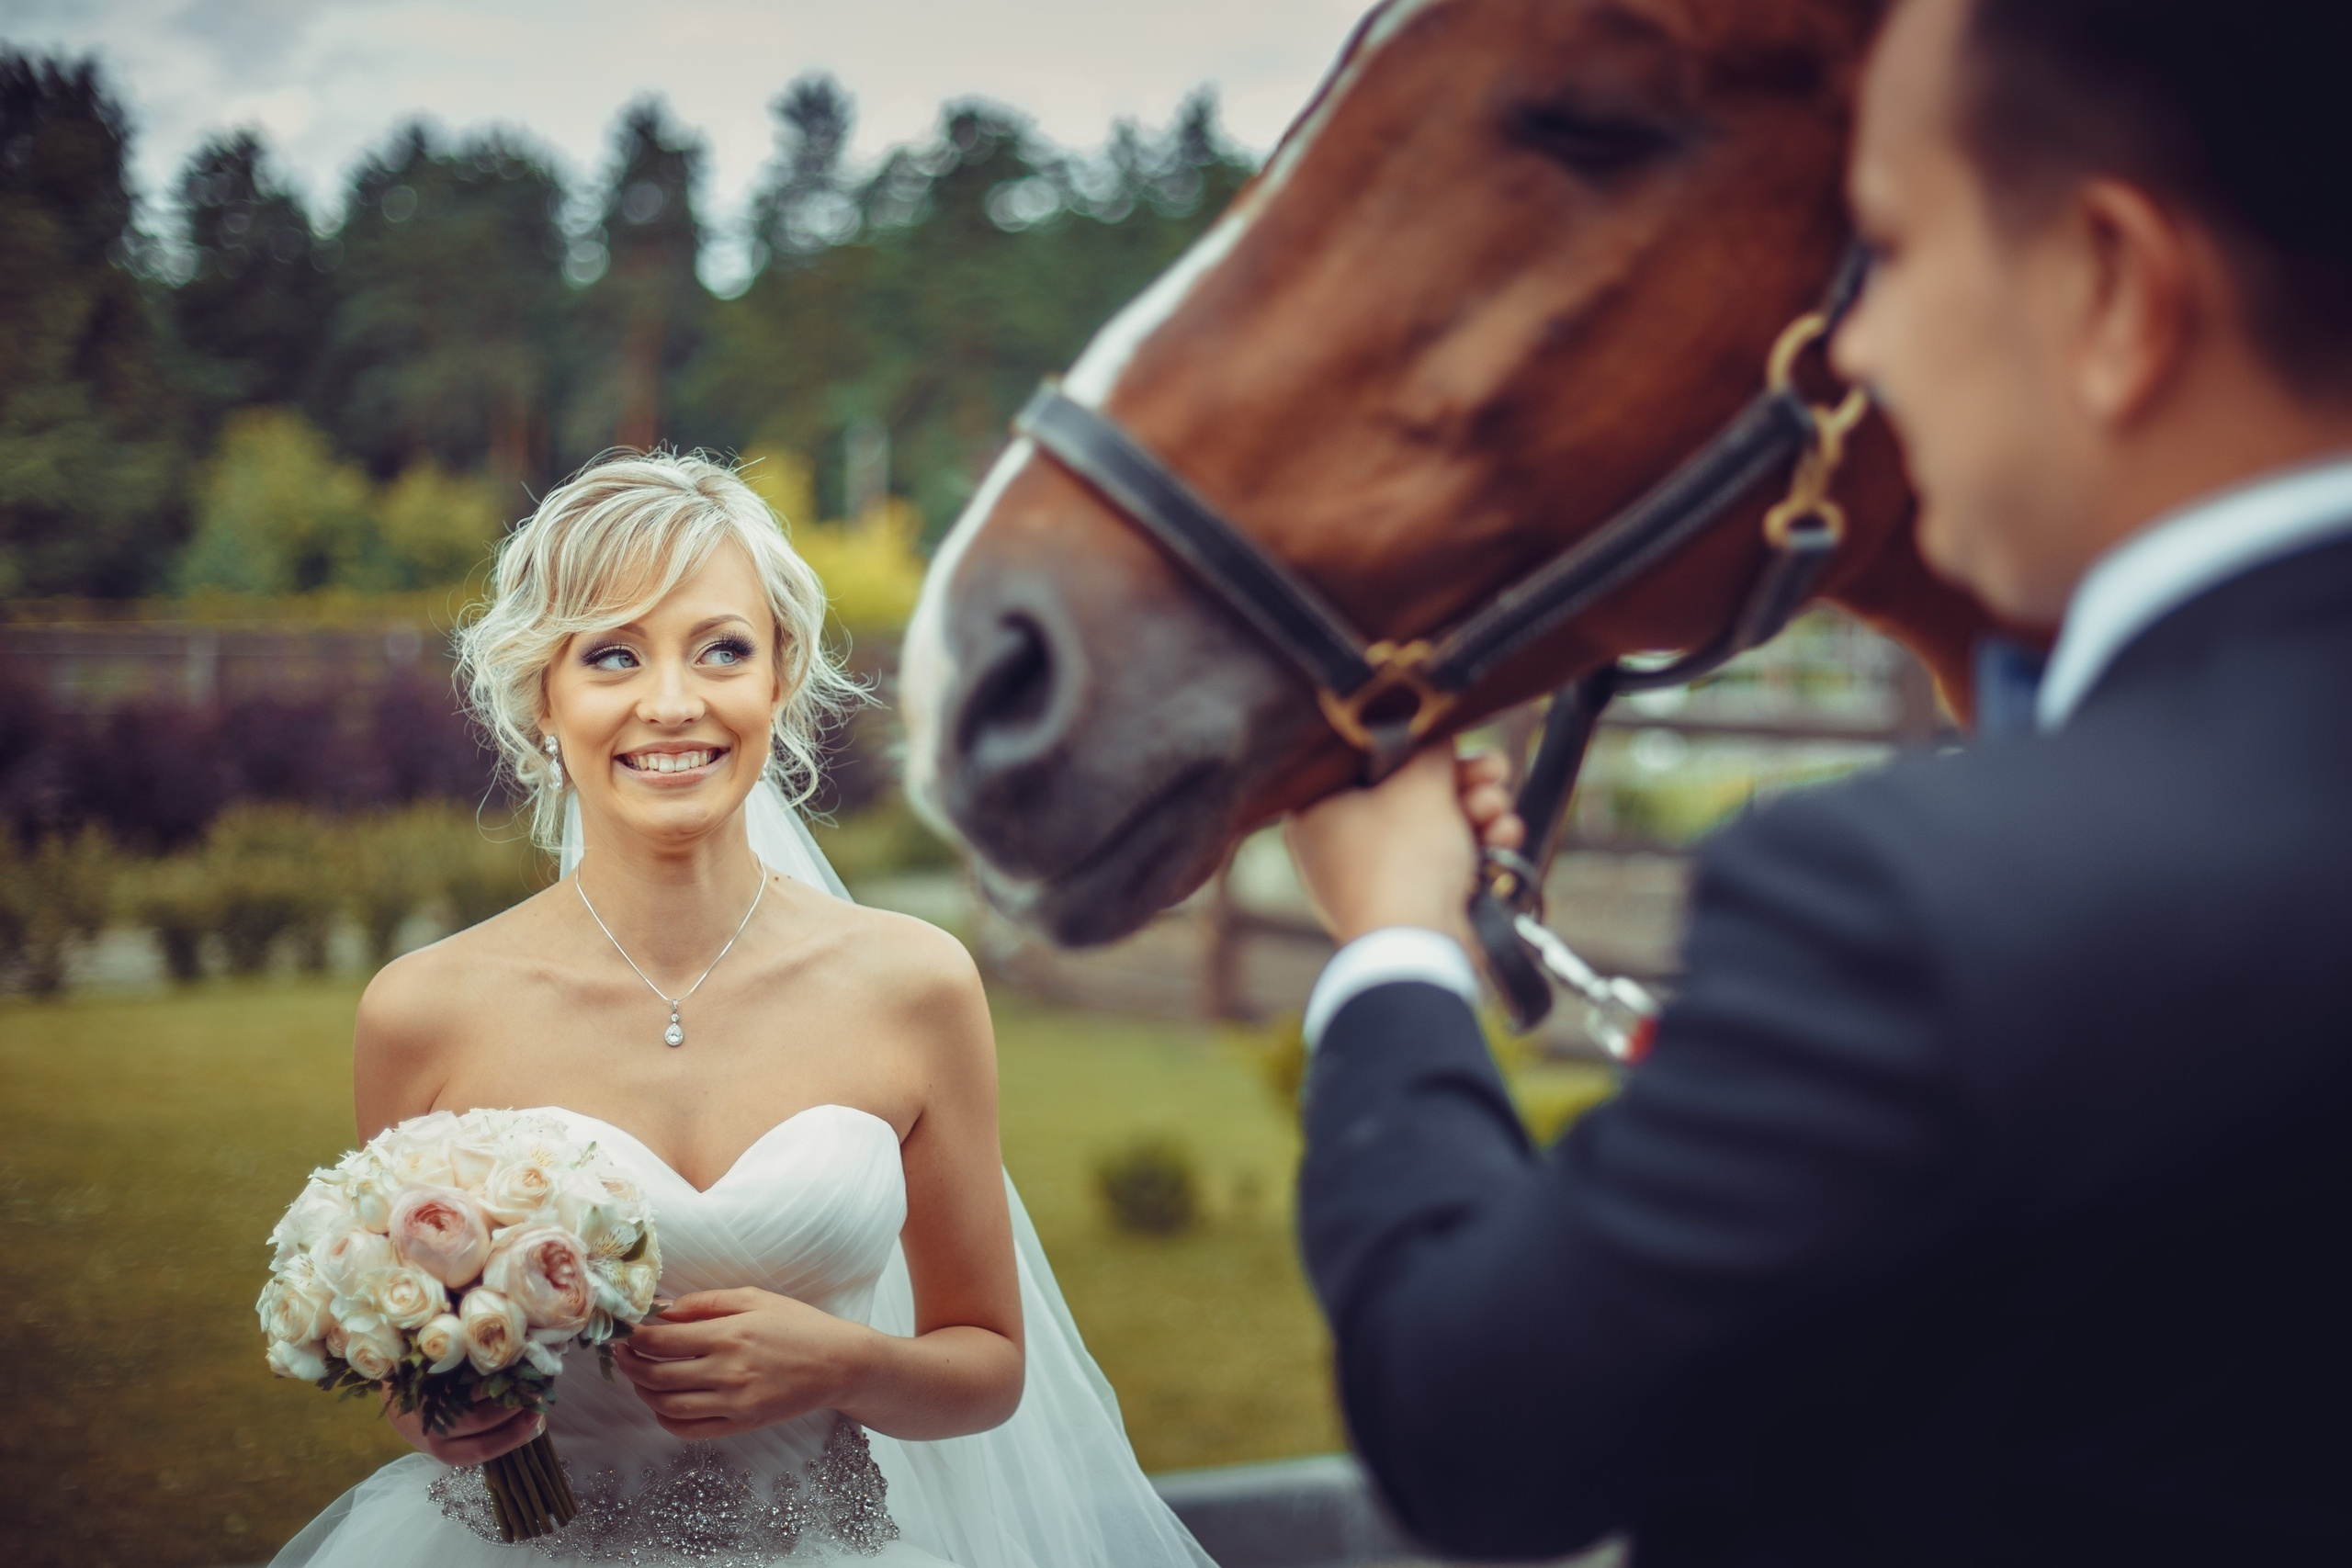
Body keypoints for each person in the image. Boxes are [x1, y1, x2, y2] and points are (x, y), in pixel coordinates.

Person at [1282, 0, 2352, 1562]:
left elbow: (1487, 1434)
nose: (1852, 348)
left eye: (1895, 252)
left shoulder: (1921, 906)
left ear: (2113, 292)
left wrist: (1392, 943)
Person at [270, 453, 1211, 1568]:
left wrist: (844, 1365)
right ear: (544, 698)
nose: (672, 703)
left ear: (778, 680)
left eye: (721, 649)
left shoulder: (915, 986)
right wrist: (458, 1413)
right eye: (612, 655)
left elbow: (990, 1366)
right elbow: (413, 1381)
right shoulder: (424, 1013)